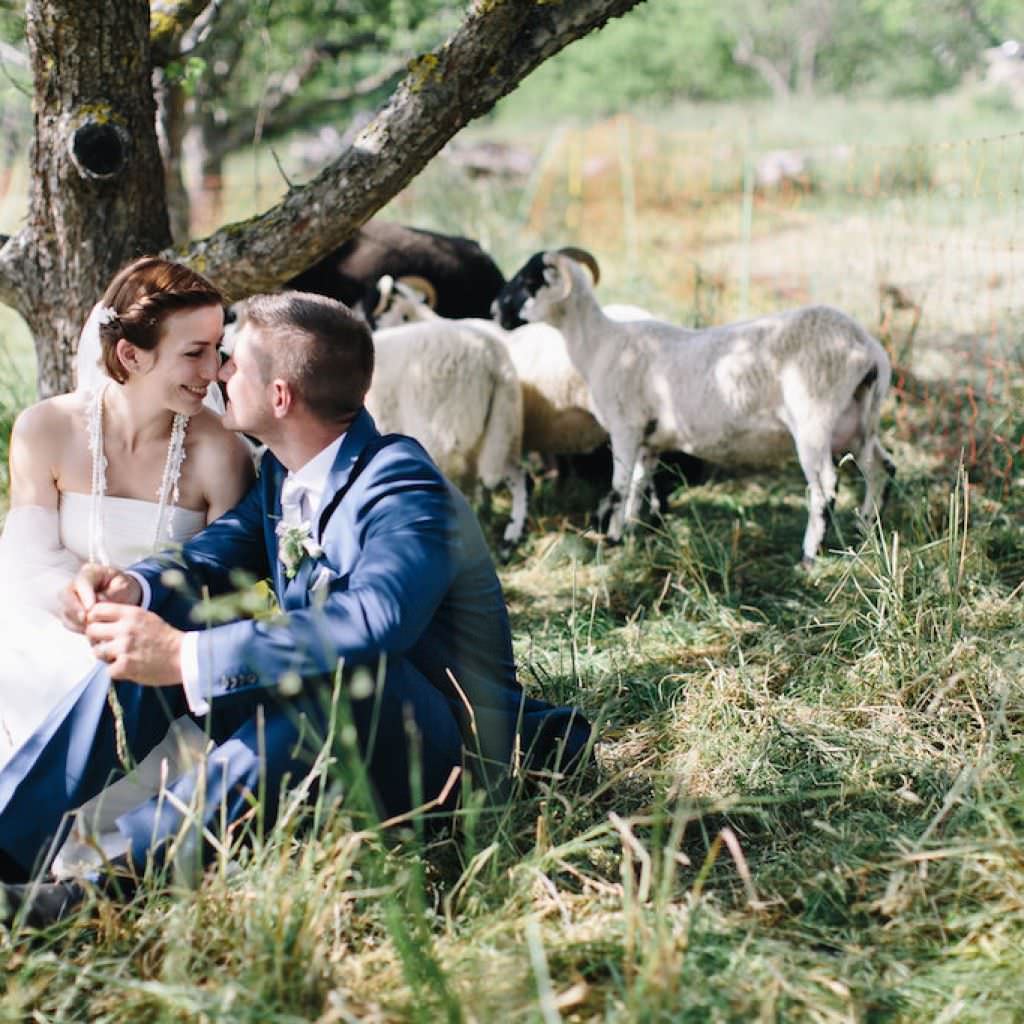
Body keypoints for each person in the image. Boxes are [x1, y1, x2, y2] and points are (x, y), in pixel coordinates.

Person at [0, 291, 591, 924]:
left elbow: (374, 622)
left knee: (337, 677)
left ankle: (93, 895)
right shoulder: (286, 474)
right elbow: (213, 554)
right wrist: (133, 587)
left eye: (234, 362)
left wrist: (184, 657)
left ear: (279, 397)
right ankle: (8, 842)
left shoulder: (401, 488)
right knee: (177, 621)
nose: (220, 372)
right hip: (336, 729)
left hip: (444, 753)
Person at [0, 257, 253, 769]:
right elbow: (24, 557)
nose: (214, 371)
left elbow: (228, 584)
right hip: (46, 623)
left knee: (107, 682)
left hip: (153, 650)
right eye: (194, 353)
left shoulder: (222, 453)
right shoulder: (44, 428)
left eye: (217, 350)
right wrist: (68, 598)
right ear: (130, 355)